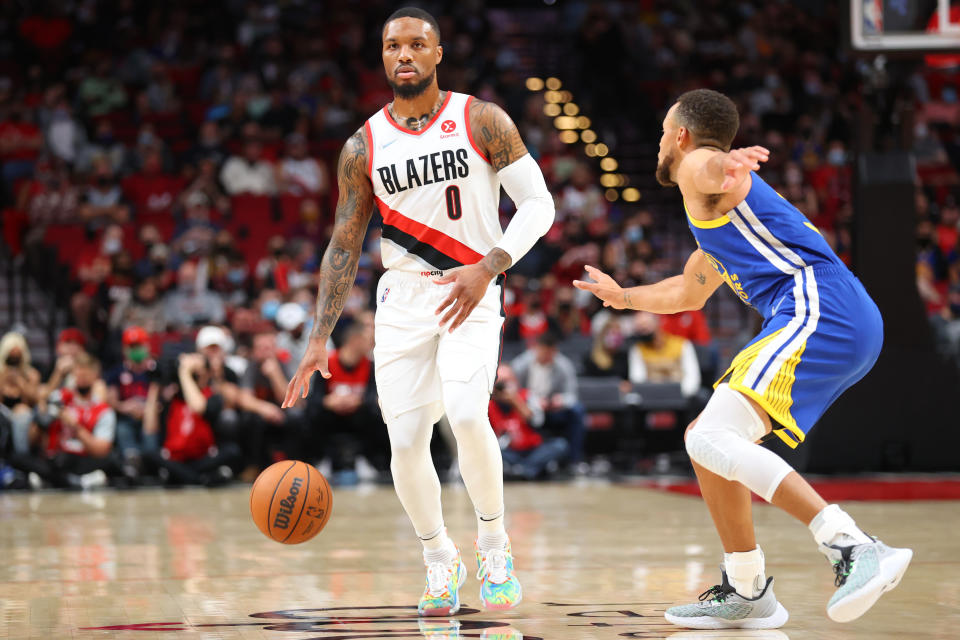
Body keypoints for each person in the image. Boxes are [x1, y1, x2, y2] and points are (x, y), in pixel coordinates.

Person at [574, 89, 912, 629]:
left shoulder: (699, 172)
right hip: (837, 315)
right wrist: (625, 298)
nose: (662, 143)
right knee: (710, 442)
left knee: (708, 438)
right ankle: (748, 588)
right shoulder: (714, 220)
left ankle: (851, 545)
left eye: (664, 132)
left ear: (681, 136)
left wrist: (722, 162)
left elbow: (709, 168)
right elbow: (688, 291)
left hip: (821, 305)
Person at [282, 7, 554, 615]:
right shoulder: (362, 146)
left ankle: (493, 543)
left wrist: (491, 265)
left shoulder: (481, 118)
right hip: (402, 299)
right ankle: (438, 559)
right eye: (391, 46)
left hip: (471, 285)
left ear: (438, 53)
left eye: (416, 44)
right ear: (383, 58)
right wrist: (318, 337)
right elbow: (344, 243)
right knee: (404, 441)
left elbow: (539, 204)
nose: (403, 54)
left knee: (463, 412)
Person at [510, 332, 587, 471]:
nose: (547, 357)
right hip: (526, 407)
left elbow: (572, 394)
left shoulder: (563, 365)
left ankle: (574, 461)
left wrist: (561, 400)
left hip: (552, 410)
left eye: (551, 353)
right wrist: (531, 400)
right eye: (544, 352)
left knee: (577, 411)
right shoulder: (521, 365)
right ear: (536, 348)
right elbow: (513, 390)